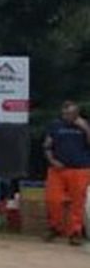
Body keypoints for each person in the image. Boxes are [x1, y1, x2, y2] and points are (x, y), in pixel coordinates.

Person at [43, 100, 90, 246]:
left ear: (77, 114)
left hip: (80, 169)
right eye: (65, 113)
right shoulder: (55, 126)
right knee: (53, 199)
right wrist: (52, 160)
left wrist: (86, 129)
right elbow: (47, 145)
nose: (67, 116)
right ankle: (55, 227)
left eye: (70, 113)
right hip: (58, 169)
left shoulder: (85, 125)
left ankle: (74, 232)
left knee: (77, 202)